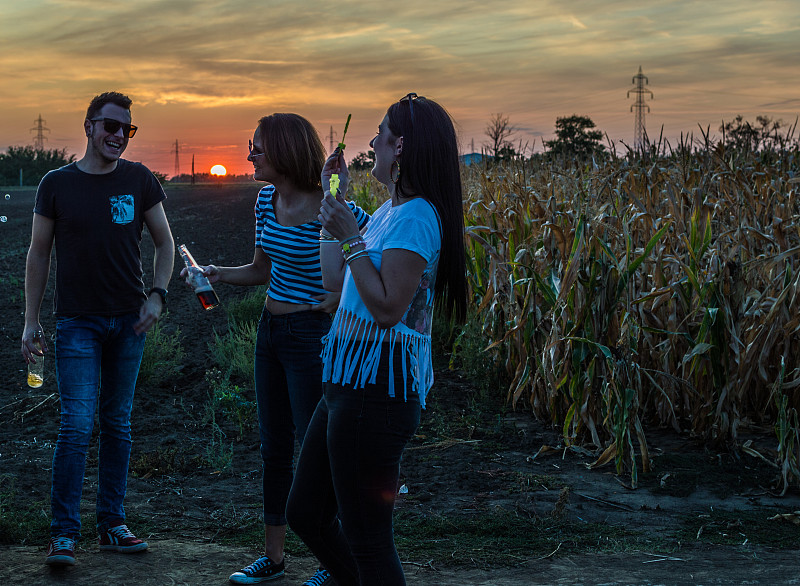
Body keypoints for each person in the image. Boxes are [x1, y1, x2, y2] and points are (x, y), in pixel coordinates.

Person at [286, 94, 468, 585]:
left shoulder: (417, 216)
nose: (371, 143)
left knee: (368, 538)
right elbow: (332, 279)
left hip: (377, 392)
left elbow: (387, 307)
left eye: (380, 133)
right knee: (306, 513)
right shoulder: (392, 211)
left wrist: (349, 235)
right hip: (349, 383)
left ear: (401, 146)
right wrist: (336, 203)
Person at [182, 113, 369, 586]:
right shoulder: (265, 200)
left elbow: (373, 257)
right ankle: (274, 558)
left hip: (312, 340)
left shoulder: (331, 207)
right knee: (274, 450)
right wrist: (219, 273)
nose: (249, 155)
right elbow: (263, 267)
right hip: (271, 335)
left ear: (285, 151)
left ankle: (335, 560)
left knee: (319, 452)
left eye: (258, 147)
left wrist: (339, 297)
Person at [20, 91, 175, 567]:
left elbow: (165, 244)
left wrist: (157, 294)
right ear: (89, 127)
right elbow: (38, 254)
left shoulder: (140, 180)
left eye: (126, 130)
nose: (118, 137)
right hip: (77, 324)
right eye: (110, 126)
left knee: (118, 424)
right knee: (76, 425)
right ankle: (64, 533)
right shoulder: (56, 183)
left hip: (130, 322)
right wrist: (30, 321)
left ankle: (112, 523)